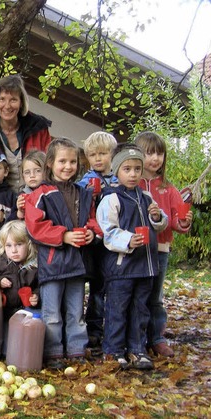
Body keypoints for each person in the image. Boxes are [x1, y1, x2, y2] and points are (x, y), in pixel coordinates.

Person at [24, 138, 101, 369]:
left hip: (77, 263)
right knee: (52, 312)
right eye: (62, 161)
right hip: (53, 263)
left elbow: (93, 220)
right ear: (50, 163)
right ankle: (53, 351)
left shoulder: (83, 193)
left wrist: (91, 234)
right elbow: (35, 227)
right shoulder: (40, 193)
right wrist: (64, 235)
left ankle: (77, 349)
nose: (68, 166)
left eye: (73, 161)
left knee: (76, 310)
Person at [96, 144, 168, 369]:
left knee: (140, 309)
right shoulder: (112, 198)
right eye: (127, 169)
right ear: (117, 171)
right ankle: (113, 350)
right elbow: (107, 230)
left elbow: (159, 224)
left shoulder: (146, 197)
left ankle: (137, 349)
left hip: (145, 266)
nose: (133, 174)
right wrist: (127, 240)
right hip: (122, 266)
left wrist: (158, 217)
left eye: (137, 169)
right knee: (118, 309)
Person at [136, 132, 193, 357]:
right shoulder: (133, 183)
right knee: (139, 296)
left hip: (160, 249)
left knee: (156, 297)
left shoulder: (168, 189)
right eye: (149, 153)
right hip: (137, 250)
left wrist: (183, 222)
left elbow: (178, 220)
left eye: (159, 153)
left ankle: (157, 338)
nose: (155, 158)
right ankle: (137, 339)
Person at [76, 131, 119, 356]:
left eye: (102, 154)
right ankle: (93, 328)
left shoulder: (119, 179)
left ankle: (113, 329)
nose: (98, 159)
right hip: (94, 244)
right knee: (94, 287)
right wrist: (89, 194)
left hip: (115, 242)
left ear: (112, 154)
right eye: (93, 155)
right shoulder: (84, 182)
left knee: (112, 286)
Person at [0, 220, 39, 354]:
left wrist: (37, 296)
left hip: (26, 312)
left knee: (23, 344)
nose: (14, 250)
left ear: (28, 244)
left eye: (19, 244)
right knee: (5, 346)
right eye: (8, 246)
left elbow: (41, 284)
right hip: (3, 312)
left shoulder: (35, 263)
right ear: (3, 246)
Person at [15, 150, 46, 218]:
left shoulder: (50, 193)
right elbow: (16, 220)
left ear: (46, 172)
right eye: (27, 172)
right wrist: (20, 210)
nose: (32, 175)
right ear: (23, 175)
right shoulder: (22, 195)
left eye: (38, 171)